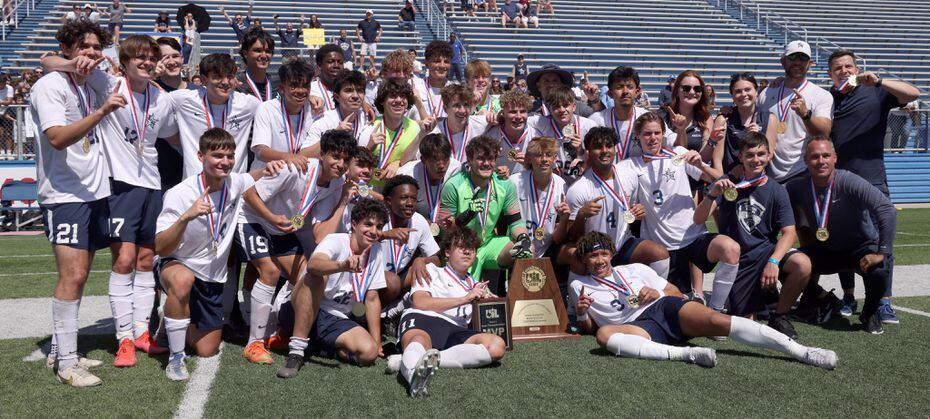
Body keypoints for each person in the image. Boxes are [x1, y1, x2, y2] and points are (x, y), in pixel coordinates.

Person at [569, 231, 837, 370]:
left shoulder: (634, 269)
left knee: (720, 320)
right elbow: (589, 329)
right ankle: (687, 355)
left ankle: (801, 351)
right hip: (637, 327)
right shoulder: (579, 285)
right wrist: (582, 315)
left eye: (604, 254)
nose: (600, 260)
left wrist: (657, 293)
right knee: (605, 335)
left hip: (663, 309)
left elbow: (676, 292)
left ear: (612, 254)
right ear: (584, 260)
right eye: (593, 256)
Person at [30, 20, 120, 388]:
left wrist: (84, 64)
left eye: (96, 46)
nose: (93, 53)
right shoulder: (50, 86)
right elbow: (56, 139)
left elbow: (108, 70)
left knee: (81, 277)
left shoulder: (90, 80)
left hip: (93, 191)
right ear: (67, 49)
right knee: (73, 276)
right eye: (84, 47)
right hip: (64, 194)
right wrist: (100, 112)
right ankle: (66, 362)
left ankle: (61, 348)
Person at [155, 128, 285, 381]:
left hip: (211, 276)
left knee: (207, 349)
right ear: (200, 156)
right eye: (217, 156)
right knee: (182, 281)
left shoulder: (233, 182)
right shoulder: (180, 193)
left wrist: (270, 168)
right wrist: (186, 217)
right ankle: (176, 357)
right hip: (178, 263)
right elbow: (160, 247)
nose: (224, 162)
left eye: (229, 156)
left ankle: (171, 318)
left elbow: (251, 177)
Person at [238, 129, 354, 364]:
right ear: (322, 154)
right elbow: (249, 194)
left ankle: (283, 329)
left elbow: (320, 232)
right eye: (335, 157)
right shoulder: (294, 169)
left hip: (282, 228)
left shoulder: (336, 183)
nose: (340, 164)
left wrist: (343, 200)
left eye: (345, 160)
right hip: (253, 219)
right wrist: (271, 218)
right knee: (269, 271)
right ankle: (254, 344)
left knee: (308, 275)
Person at [827, 50, 918, 323]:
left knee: (882, 239)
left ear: (856, 67)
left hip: (872, 176)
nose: (844, 70)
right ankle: (848, 296)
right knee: (842, 238)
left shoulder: (874, 90)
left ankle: (884, 301)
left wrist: (878, 82)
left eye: (848, 66)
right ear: (830, 73)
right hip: (838, 178)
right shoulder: (827, 98)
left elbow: (913, 94)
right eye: (838, 68)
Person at [694, 133, 809, 338]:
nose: (756, 160)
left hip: (765, 253)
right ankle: (753, 298)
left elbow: (789, 232)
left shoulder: (776, 190)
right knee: (746, 323)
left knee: (802, 264)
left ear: (769, 155)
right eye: (750, 155)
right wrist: (713, 193)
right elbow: (698, 218)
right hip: (739, 259)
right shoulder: (728, 182)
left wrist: (774, 261)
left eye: (761, 154)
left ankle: (780, 315)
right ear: (740, 157)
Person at [785, 137, 896, 335]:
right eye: (815, 157)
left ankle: (869, 313)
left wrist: (882, 251)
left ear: (835, 158)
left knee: (880, 269)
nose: (821, 161)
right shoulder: (797, 187)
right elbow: (785, 218)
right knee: (782, 265)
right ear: (805, 160)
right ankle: (825, 300)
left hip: (860, 249)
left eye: (826, 155)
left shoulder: (849, 181)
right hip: (825, 249)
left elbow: (886, 209)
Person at [628, 112, 739, 308]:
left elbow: (717, 178)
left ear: (663, 134)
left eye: (657, 133)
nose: (652, 138)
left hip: (693, 238)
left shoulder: (678, 153)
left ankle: (717, 308)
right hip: (662, 249)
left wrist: (701, 166)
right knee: (673, 305)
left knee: (730, 248)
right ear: (637, 135)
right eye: (647, 134)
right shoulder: (631, 166)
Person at [277, 198, 390, 378]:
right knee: (316, 278)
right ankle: (296, 352)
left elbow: (372, 298)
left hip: (335, 318)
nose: (374, 231)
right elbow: (313, 264)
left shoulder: (375, 251)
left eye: (379, 227)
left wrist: (377, 344)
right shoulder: (336, 240)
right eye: (368, 224)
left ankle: (323, 348)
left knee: (368, 352)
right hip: (300, 307)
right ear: (354, 224)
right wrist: (343, 265)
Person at [389, 227, 506, 397]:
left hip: (455, 329)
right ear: (447, 252)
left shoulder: (475, 284)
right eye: (461, 247)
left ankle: (410, 360)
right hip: (424, 318)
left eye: (471, 248)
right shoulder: (430, 270)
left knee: (497, 346)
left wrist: (489, 302)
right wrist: (465, 299)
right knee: (419, 340)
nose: (467, 252)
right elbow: (420, 302)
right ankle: (414, 377)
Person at [438, 135, 531, 281]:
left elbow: (516, 222)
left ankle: (516, 298)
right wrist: (466, 216)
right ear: (470, 160)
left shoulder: (505, 185)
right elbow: (444, 230)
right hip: (461, 245)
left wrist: (523, 238)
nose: (486, 163)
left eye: (491, 159)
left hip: (488, 243)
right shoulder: (453, 185)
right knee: (468, 292)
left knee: (527, 249)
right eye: (481, 158)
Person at [168, 53, 262, 178]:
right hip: (196, 186)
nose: (225, 82)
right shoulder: (183, 99)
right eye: (217, 77)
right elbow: (153, 98)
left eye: (229, 77)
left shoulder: (249, 104)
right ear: (204, 79)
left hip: (233, 187)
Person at [757, 41, 833, 184]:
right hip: (767, 173)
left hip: (801, 172)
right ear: (783, 61)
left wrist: (806, 115)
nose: (797, 62)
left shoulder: (821, 95)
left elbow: (824, 133)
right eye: (792, 57)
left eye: (803, 58)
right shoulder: (767, 93)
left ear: (810, 63)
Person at [378, 175, 443, 306]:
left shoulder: (419, 221)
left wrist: (422, 260)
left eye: (413, 199)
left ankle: (400, 309)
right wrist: (385, 235)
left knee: (429, 269)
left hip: (398, 278)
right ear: (389, 201)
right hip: (370, 276)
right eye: (403, 198)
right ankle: (368, 317)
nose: (410, 203)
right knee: (393, 282)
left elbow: (437, 259)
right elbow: (356, 245)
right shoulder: (377, 218)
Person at [590, 66, 672, 162]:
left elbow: (673, 142)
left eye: (630, 87)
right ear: (610, 93)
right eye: (619, 87)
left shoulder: (649, 119)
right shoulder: (596, 120)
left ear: (637, 92)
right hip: (607, 176)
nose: (625, 91)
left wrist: (681, 130)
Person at [249, 58, 315, 172]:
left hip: (299, 178)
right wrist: (288, 157)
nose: (300, 90)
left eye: (305, 86)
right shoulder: (267, 109)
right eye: (294, 86)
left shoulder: (314, 110)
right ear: (282, 88)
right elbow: (260, 151)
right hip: (266, 177)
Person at [509, 137, 569, 259]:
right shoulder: (515, 182)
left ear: (555, 158)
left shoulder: (561, 186)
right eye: (538, 155)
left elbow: (557, 239)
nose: (544, 160)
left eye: (548, 155)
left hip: (548, 248)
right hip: (518, 242)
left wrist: (564, 220)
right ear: (529, 159)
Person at [357, 79, 421, 187]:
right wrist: (368, 148)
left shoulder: (414, 128)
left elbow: (418, 163)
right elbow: (357, 168)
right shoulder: (370, 128)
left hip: (400, 190)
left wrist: (399, 164)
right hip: (369, 189)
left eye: (403, 96)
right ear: (382, 100)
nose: (399, 100)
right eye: (393, 96)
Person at [712, 73, 778, 174]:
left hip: (757, 181)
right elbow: (717, 159)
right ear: (732, 96)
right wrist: (722, 181)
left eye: (748, 89)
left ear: (756, 92)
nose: (743, 94)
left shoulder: (770, 119)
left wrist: (758, 137)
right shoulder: (723, 119)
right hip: (730, 181)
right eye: (738, 91)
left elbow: (769, 155)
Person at [531, 85, 597, 179]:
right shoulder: (542, 122)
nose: (562, 110)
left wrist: (581, 153)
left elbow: (599, 157)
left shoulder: (589, 126)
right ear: (549, 109)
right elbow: (522, 119)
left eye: (566, 105)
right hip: (556, 183)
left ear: (573, 106)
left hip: (584, 181)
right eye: (556, 106)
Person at [397, 133, 463, 223]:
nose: (441, 165)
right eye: (435, 159)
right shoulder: (407, 175)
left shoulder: (456, 169)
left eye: (445, 158)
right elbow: (398, 210)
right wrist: (421, 221)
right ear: (423, 160)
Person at [427, 83, 491, 164]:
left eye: (466, 105)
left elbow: (505, 120)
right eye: (456, 105)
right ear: (445, 109)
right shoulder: (434, 131)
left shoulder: (482, 124)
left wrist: (498, 116)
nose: (462, 111)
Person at [307, 69, 370, 146]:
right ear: (337, 97)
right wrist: (334, 135)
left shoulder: (368, 120)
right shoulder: (324, 120)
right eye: (348, 90)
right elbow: (304, 153)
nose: (355, 96)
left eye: (360, 91)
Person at [485, 88, 538, 177]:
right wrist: (495, 171)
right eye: (513, 112)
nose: (518, 116)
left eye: (522, 111)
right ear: (503, 113)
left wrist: (530, 165)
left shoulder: (536, 137)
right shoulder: (490, 136)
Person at [666, 70, 714, 159]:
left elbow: (704, 159)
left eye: (697, 89)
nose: (692, 92)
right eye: (686, 88)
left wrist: (713, 141)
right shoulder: (663, 116)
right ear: (676, 91)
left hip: (694, 170)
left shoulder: (705, 117)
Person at [526, 63, 598, 117]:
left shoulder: (576, 106)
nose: (551, 85)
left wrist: (593, 99)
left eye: (555, 80)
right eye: (546, 81)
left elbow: (599, 117)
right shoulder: (529, 110)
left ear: (562, 85)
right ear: (539, 86)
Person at [411, 40, 453, 120]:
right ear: (426, 63)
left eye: (446, 62)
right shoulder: (416, 89)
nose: (442, 65)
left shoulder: (455, 90)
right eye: (437, 61)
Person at [236, 28, 277, 102]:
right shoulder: (236, 85)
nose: (264, 56)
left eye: (268, 51)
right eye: (258, 50)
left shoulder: (278, 85)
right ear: (245, 53)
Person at [310, 44, 348, 116]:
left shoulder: (350, 90)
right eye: (331, 61)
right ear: (319, 65)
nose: (336, 66)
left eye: (340, 62)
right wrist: (307, 98)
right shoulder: (310, 90)